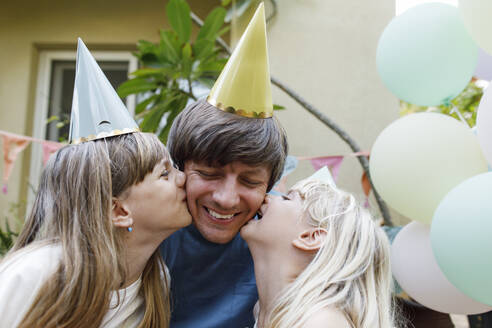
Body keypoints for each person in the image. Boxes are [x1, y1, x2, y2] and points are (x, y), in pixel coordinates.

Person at [0, 39, 191, 328]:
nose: (184, 178)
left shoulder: (154, 284)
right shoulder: (33, 276)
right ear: (118, 211)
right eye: (165, 174)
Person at [160, 3, 288, 327]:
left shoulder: (285, 240)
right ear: (178, 170)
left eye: (249, 182)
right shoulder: (148, 230)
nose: (226, 199)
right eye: (208, 174)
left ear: (270, 188)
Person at [240, 172, 396, 328]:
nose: (267, 197)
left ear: (311, 237)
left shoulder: (320, 322)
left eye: (286, 198)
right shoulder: (263, 311)